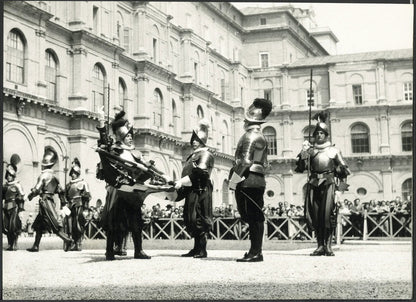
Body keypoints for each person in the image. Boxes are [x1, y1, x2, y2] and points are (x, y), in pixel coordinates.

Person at [97, 110, 172, 260]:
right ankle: (109, 251)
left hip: (133, 192)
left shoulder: (136, 153)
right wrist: (101, 124)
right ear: (121, 137)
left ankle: (138, 250)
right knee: (114, 221)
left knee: (136, 221)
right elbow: (104, 143)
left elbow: (148, 168)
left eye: (131, 136)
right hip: (118, 190)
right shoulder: (115, 150)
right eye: (127, 136)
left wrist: (163, 176)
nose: (131, 138)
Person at [295, 111, 350, 256]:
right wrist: (303, 152)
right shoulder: (311, 151)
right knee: (315, 215)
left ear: (326, 135)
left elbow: (344, 172)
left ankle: (328, 245)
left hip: (329, 184)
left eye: (322, 133)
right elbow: (300, 168)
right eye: (317, 133)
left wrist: (340, 191)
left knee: (328, 216)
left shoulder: (334, 151)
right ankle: (319, 245)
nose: (319, 135)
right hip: (313, 184)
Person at [228, 98, 272, 262]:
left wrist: (233, 181)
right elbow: (261, 162)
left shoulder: (249, 136)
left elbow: (245, 162)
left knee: (253, 217)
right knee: (255, 217)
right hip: (257, 179)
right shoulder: (261, 136)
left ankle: (256, 252)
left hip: (247, 180)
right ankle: (255, 251)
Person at [174, 119, 214, 259]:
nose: (194, 142)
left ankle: (202, 250)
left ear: (203, 141)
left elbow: (200, 173)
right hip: (192, 190)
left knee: (200, 219)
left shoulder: (206, 154)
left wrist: (181, 181)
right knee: (191, 218)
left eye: (197, 139)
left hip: (200, 191)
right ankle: (196, 248)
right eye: (193, 139)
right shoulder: (193, 155)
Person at [26, 147, 73, 252]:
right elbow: (61, 192)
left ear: (44, 164)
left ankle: (67, 239)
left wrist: (30, 196)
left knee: (53, 224)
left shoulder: (43, 176)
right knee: (39, 225)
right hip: (50, 201)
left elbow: (37, 189)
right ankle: (36, 245)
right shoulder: (55, 178)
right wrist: (64, 204)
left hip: (45, 201)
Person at [64, 158, 91, 251]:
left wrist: (86, 208)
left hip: (79, 205)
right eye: (71, 173)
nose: (73, 175)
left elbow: (87, 196)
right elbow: (65, 196)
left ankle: (78, 243)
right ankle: (71, 243)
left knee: (78, 224)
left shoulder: (83, 183)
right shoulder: (68, 185)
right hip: (70, 206)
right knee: (69, 225)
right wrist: (64, 206)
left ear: (78, 173)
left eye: (74, 173)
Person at [2, 158, 25, 251]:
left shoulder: (17, 185)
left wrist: (21, 210)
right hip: (5, 207)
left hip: (14, 207)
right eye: (8, 175)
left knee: (13, 227)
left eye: (11, 176)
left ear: (13, 176)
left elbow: (22, 198)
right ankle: (9, 244)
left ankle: (14, 244)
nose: (9, 177)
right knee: (6, 227)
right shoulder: (4, 186)